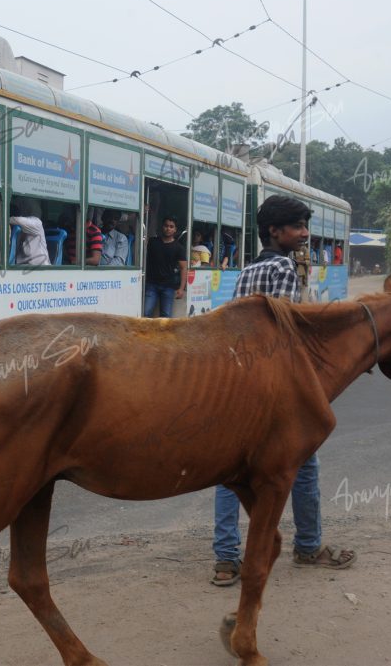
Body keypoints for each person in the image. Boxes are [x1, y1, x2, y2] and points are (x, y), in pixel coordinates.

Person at [211, 194, 356, 587]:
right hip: (275, 387)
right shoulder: (285, 269)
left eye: (304, 226)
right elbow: (287, 333)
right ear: (275, 231)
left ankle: (225, 559)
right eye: (297, 227)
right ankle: (308, 545)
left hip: (240, 379)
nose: (305, 234)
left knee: (230, 473)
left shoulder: (246, 271)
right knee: (305, 466)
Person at [143, 216, 188, 317]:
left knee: (166, 317)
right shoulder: (152, 242)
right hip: (151, 285)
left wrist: (181, 288)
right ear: (162, 227)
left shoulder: (179, 248)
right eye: (166, 226)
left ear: (175, 229)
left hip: (168, 287)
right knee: (146, 314)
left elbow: (183, 267)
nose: (168, 228)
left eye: (171, 227)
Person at [10, 197, 50, 266]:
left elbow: (19, 221)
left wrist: (3, 218)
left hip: (41, 267)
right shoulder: (17, 229)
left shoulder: (37, 223)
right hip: (23, 267)